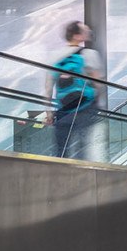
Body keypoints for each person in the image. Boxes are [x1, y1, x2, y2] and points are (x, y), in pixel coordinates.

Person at [47, 21, 99, 159]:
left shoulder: (54, 55)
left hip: (62, 108)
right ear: (77, 36)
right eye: (84, 30)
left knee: (61, 148)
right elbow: (98, 84)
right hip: (85, 107)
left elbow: (48, 86)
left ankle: (60, 170)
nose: (88, 31)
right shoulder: (89, 54)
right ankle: (80, 169)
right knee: (82, 147)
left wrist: (48, 111)